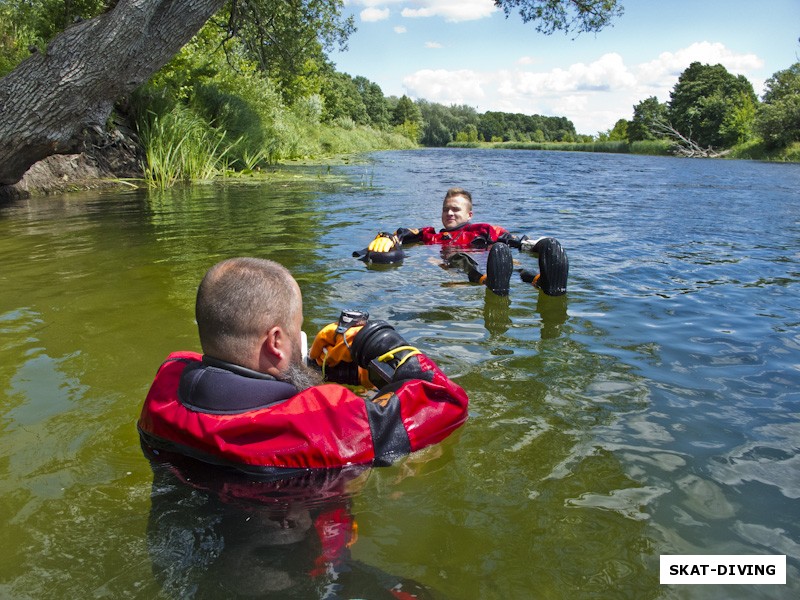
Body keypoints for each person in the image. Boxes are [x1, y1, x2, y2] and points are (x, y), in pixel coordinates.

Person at [137, 257, 469, 478]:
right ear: (276, 341)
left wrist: (307, 368)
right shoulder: (328, 422)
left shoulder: (164, 387)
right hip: (312, 574)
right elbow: (445, 402)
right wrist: (377, 341)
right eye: (299, 327)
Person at [354, 187, 569, 297]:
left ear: (469, 214)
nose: (449, 213)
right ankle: (489, 282)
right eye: (445, 209)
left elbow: (515, 241)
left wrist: (541, 246)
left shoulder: (484, 229)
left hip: (497, 261)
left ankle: (540, 281)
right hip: (464, 268)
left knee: (510, 261)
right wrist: (387, 237)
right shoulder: (431, 235)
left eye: (455, 209)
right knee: (458, 258)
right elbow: (402, 233)